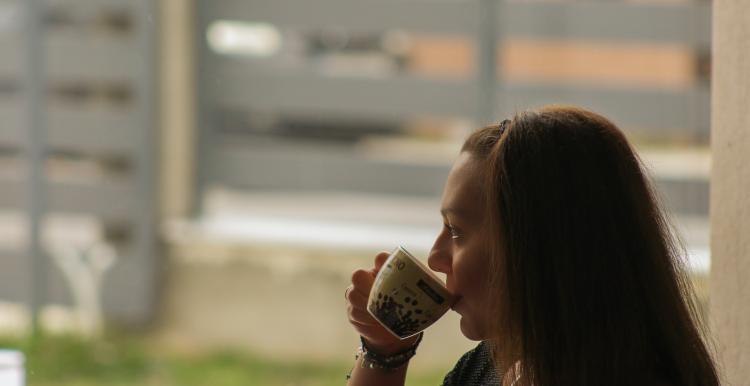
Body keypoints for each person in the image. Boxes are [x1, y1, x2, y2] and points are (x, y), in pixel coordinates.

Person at [343, 105, 720, 386]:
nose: (437, 256)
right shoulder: (485, 369)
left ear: (539, 250)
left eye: (456, 231)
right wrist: (384, 352)